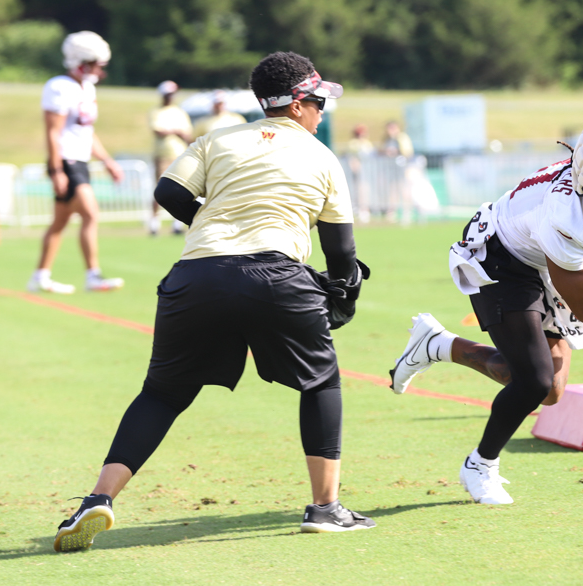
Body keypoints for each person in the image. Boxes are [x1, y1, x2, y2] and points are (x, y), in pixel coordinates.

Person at [52, 51, 374, 553]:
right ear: (295, 105)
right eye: (316, 101)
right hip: (277, 276)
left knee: (161, 394)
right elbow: (341, 252)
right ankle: (326, 508)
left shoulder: (218, 138)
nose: (320, 110)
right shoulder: (322, 157)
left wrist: (210, 219)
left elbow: (168, 192)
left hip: (196, 276)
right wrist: (344, 292)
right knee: (320, 380)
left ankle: (98, 498)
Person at [389, 111, 583, 505]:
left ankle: (439, 345)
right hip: (501, 258)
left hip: (539, 253)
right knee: (534, 381)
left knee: (552, 389)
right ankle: (480, 465)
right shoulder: (566, 218)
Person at [28, 31, 124, 294]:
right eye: (97, 65)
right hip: (66, 161)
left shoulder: (87, 88)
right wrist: (56, 169)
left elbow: (86, 132)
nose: (100, 71)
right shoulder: (59, 86)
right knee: (91, 213)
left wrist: (107, 161)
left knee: (59, 223)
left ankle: (40, 276)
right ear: (82, 62)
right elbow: (53, 131)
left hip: (80, 161)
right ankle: (93, 275)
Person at [148, 80, 193, 235]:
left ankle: (177, 224)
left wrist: (174, 132)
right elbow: (158, 131)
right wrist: (176, 131)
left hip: (179, 154)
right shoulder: (157, 112)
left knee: (180, 189)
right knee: (160, 189)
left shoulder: (180, 112)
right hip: (162, 155)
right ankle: (154, 224)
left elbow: (187, 134)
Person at [379, 120, 414, 221]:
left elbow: (407, 152)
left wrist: (396, 152)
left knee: (404, 189)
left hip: (402, 168)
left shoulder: (402, 138)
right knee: (392, 190)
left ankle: (407, 212)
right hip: (390, 169)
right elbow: (381, 150)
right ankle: (391, 212)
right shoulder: (386, 139)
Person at [345, 124, 375, 223]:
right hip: (356, 173)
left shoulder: (367, 143)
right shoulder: (353, 143)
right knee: (357, 189)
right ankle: (358, 209)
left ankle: (365, 209)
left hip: (366, 172)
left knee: (364, 189)